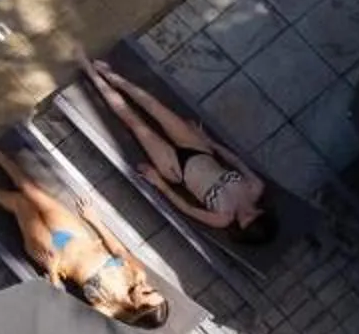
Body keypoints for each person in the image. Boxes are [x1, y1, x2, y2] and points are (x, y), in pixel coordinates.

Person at [0, 142, 168, 328]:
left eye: (147, 295)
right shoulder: (138, 275)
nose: (147, 287)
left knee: (21, 203)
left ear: (138, 309)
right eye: (154, 290)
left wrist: (52, 273)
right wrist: (94, 220)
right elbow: (118, 250)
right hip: (77, 236)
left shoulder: (108, 310)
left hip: (57, 257)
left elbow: (61, 310)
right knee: (30, 189)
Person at [83, 58, 276, 243]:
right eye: (252, 215)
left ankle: (90, 72)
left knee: (134, 122)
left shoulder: (223, 218)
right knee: (154, 106)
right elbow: (235, 161)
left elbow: (187, 208)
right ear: (262, 213)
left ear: (240, 229)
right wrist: (209, 142)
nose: (245, 215)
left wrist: (159, 182)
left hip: (176, 169)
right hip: (200, 149)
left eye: (244, 222)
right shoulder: (255, 187)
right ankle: (111, 75)